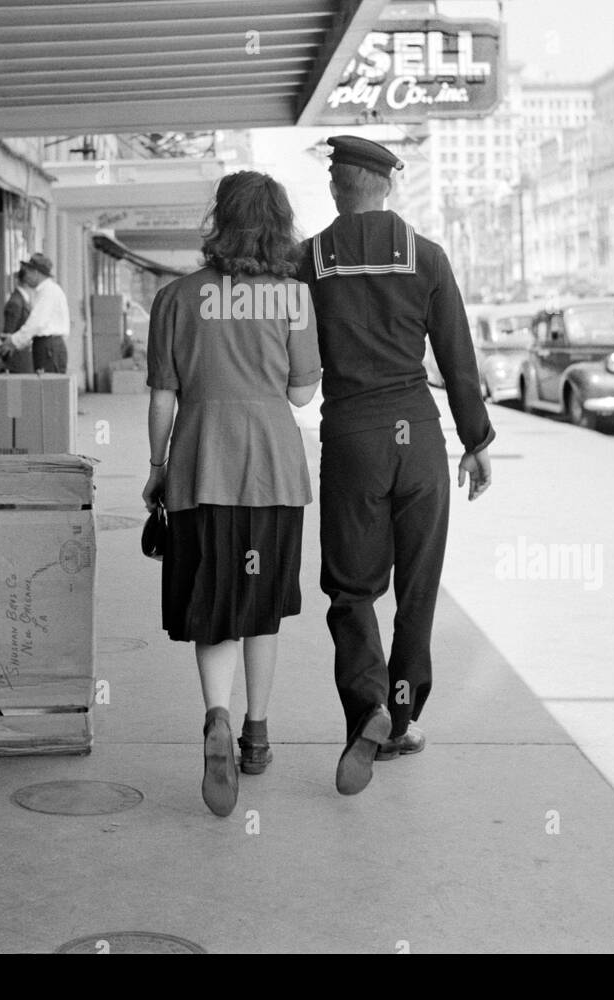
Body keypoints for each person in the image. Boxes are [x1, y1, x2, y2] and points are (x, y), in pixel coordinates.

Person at [296, 136, 494, 796]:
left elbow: (290, 356)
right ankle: (403, 715)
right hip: (418, 440)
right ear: (385, 187)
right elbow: (459, 360)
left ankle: (367, 707)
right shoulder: (427, 256)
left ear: (336, 189)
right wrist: (476, 440)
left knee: (352, 588)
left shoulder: (310, 260)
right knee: (417, 585)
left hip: (352, 432)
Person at [143, 171, 322, 818]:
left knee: (211, 602)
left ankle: (215, 715)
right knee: (261, 602)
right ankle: (256, 733)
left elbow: (164, 397)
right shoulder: (293, 299)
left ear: (219, 219)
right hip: (274, 467)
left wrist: (157, 467)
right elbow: (303, 393)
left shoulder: (177, 297)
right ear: (280, 223)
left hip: (200, 464)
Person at [2, 252, 69, 372]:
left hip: (48, 348)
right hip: (48, 347)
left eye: (28, 271)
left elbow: (36, 323)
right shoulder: (49, 290)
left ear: (36, 272)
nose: (26, 276)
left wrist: (13, 341)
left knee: (48, 387)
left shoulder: (47, 292)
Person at [1, 260, 37, 374]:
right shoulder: (15, 302)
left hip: (24, 357)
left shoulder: (23, 300)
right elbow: (8, 333)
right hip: (18, 360)